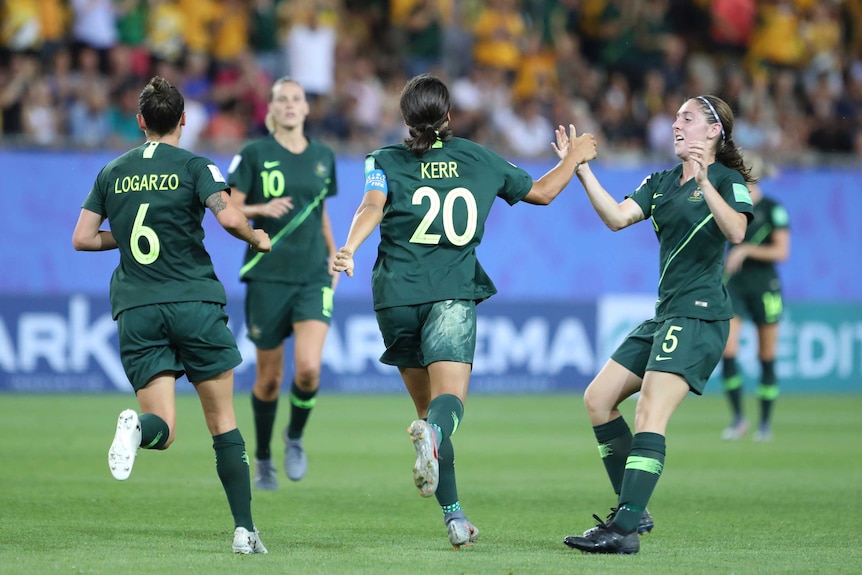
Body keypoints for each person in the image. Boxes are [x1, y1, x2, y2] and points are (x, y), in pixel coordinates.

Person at [330, 73, 597, 549]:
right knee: (443, 412)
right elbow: (539, 192)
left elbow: (371, 205)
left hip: (395, 296)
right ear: (449, 116)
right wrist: (574, 159)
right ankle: (436, 455)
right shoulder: (477, 158)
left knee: (425, 414)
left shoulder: (381, 160)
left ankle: (455, 518)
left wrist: (349, 247)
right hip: (451, 293)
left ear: (406, 119)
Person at [71, 77, 271, 554]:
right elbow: (227, 217)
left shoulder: (111, 172)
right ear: (184, 120)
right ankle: (244, 530)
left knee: (162, 427)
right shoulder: (197, 166)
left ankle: (137, 427)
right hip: (193, 302)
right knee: (222, 419)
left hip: (137, 307)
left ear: (140, 121)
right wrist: (256, 236)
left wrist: (122, 233)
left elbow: (81, 238)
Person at [562, 94, 755, 555]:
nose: (675, 124)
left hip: (700, 314)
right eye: (674, 118)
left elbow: (737, 232)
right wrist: (581, 169)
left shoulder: (728, 181)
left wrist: (707, 183)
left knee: (650, 411)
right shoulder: (661, 182)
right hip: (666, 314)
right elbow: (616, 218)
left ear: (713, 131)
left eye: (686, 117)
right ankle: (634, 509)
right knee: (598, 399)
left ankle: (624, 529)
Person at [227, 76, 338, 490]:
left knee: (308, 369)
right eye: (281, 100)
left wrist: (335, 255)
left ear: (307, 109)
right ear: (270, 110)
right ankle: (262, 456)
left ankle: (294, 437)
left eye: (297, 99)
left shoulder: (324, 156)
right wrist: (262, 207)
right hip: (267, 275)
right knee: (269, 378)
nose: (290, 105)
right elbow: (231, 207)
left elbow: (318, 210)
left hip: (312, 275)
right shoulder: (254, 153)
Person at [721, 155, 790, 442]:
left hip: (765, 286)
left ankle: (764, 423)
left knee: (766, 355)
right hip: (734, 286)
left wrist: (746, 250)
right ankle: (738, 419)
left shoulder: (774, 210)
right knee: (727, 351)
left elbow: (781, 252)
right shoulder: (729, 207)